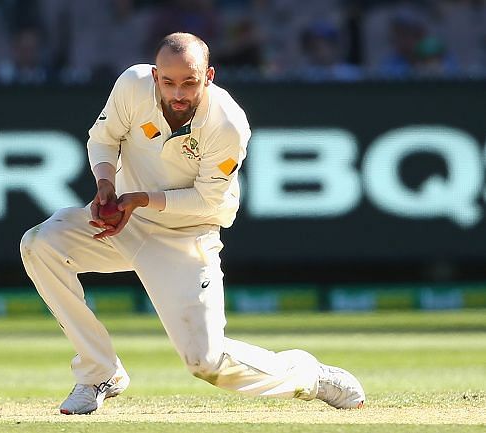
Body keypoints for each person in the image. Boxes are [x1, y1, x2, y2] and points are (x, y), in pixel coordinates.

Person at [20, 32, 365, 415]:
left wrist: (139, 200)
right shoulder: (133, 85)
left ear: (209, 76)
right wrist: (106, 185)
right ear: (155, 76)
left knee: (206, 362)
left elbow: (208, 199)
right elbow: (102, 139)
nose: (178, 93)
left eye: (189, 82)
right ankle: (99, 372)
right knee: (40, 245)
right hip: (123, 223)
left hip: (185, 235)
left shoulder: (228, 123)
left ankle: (309, 376)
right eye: (168, 82)